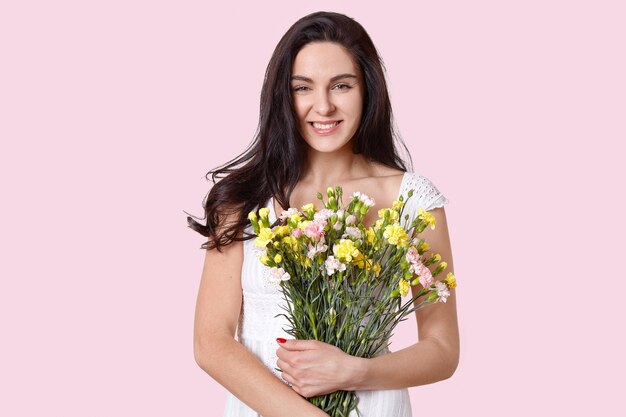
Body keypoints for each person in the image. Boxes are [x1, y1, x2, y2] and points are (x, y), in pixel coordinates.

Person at [188, 11, 459, 417]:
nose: (324, 106)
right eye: (303, 88)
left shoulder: (412, 200)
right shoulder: (243, 200)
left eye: (342, 85)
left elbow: (442, 349)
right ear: (283, 96)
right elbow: (211, 343)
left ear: (368, 91)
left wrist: (355, 372)